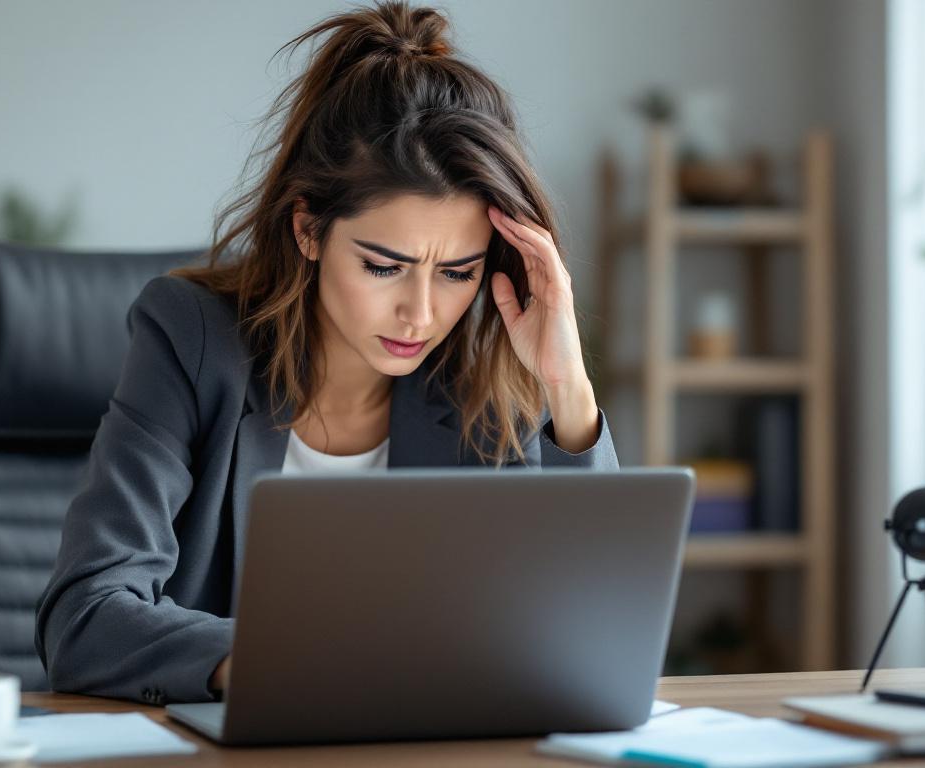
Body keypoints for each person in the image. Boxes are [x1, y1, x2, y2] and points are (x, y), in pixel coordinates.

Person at [34, 0, 618, 706]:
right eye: (384, 266)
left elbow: (587, 632)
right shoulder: (193, 339)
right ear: (308, 230)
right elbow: (86, 617)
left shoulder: (480, 378)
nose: (421, 313)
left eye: (457, 273)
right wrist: (283, 664)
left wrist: (566, 385)